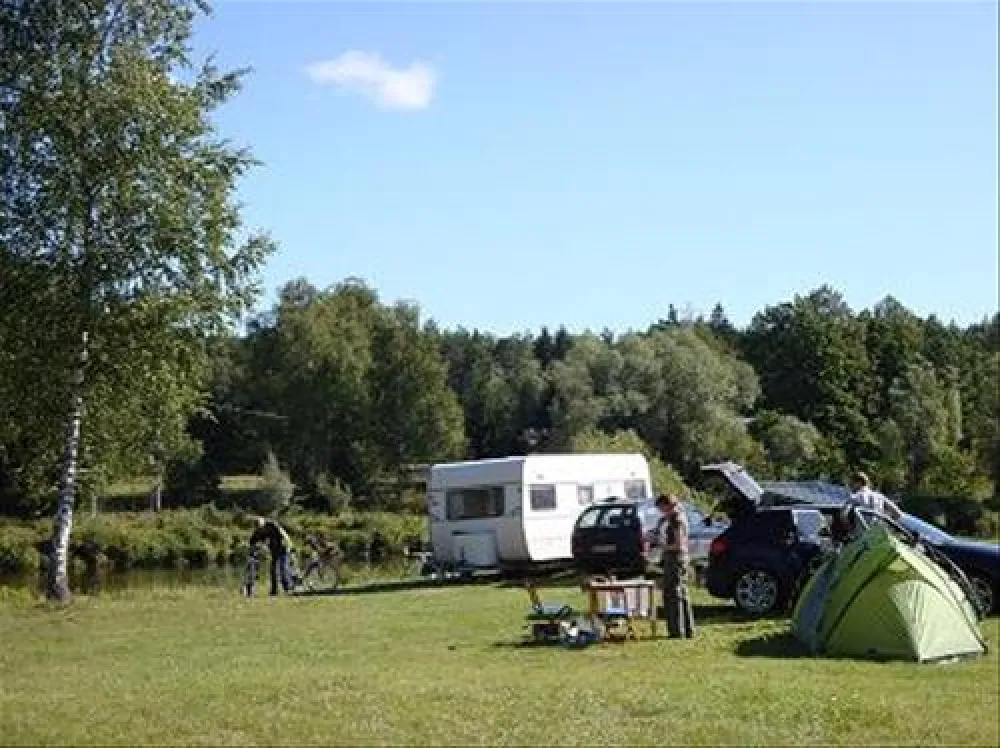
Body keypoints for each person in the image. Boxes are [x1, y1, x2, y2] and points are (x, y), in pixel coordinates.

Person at [655, 493, 695, 639]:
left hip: (675, 559)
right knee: (682, 594)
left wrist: (663, 546)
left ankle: (677, 631)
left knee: (673, 594)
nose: (661, 511)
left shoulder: (676, 520)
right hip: (679, 559)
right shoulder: (678, 516)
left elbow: (679, 544)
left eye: (662, 508)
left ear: (667, 505)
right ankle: (688, 629)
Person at [249, 517, 295, 596]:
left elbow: (284, 534)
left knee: (284, 568)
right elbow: (252, 542)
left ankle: (288, 588)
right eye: (257, 526)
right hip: (274, 551)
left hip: (284, 549)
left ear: (263, 523)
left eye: (260, 526)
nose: (260, 528)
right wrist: (256, 550)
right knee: (273, 571)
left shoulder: (273, 526)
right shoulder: (258, 532)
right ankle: (274, 590)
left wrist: (289, 545)